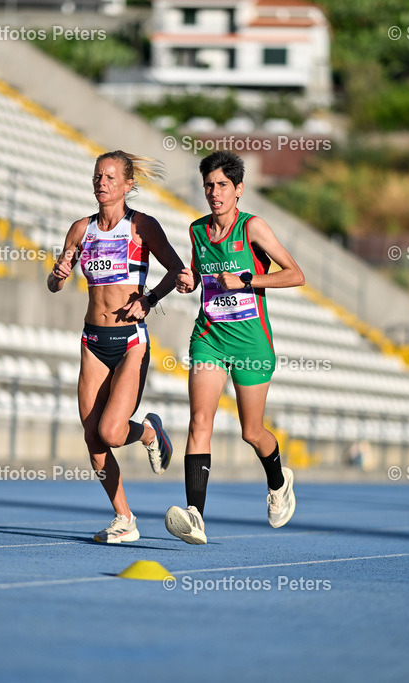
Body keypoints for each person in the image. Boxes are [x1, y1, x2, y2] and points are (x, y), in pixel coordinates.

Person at [164, 150, 305, 545]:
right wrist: (189, 280)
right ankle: (195, 516)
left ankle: (278, 481)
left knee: (251, 431)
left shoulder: (253, 228)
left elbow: (295, 275)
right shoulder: (196, 231)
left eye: (222, 185)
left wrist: (246, 280)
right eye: (209, 185)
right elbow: (198, 276)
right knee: (199, 422)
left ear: (239, 189)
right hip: (209, 337)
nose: (214, 192)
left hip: (250, 342)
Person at [47, 150, 184, 543]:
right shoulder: (80, 230)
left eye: (110, 177)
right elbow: (56, 281)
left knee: (110, 431)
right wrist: (56, 277)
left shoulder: (141, 226)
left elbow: (177, 271)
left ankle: (150, 434)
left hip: (130, 342)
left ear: (127, 185)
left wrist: (149, 299)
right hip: (92, 341)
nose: (101, 183)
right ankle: (124, 518)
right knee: (93, 439)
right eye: (97, 176)